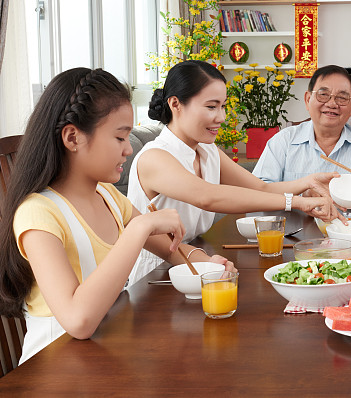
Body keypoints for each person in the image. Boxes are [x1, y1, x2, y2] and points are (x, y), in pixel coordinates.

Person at [0, 68, 235, 364]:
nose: (128, 150)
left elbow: (174, 250)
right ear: (73, 137)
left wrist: (208, 265)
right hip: (55, 367)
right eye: (120, 137)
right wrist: (140, 228)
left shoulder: (108, 197)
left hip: (105, 355)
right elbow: (78, 321)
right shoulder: (38, 214)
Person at [127, 60, 342, 283]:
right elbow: (208, 197)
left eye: (222, 106)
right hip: (155, 274)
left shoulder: (208, 151)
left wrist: (309, 181)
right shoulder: (155, 157)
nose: (221, 117)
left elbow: (261, 187)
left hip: (194, 263)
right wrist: (296, 202)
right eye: (211, 107)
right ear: (175, 104)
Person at [253, 65, 351, 209]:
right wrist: (303, 196)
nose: (331, 104)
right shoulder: (283, 140)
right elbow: (257, 192)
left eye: (342, 97)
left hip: (350, 227)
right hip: (293, 228)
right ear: (307, 99)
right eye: (323, 94)